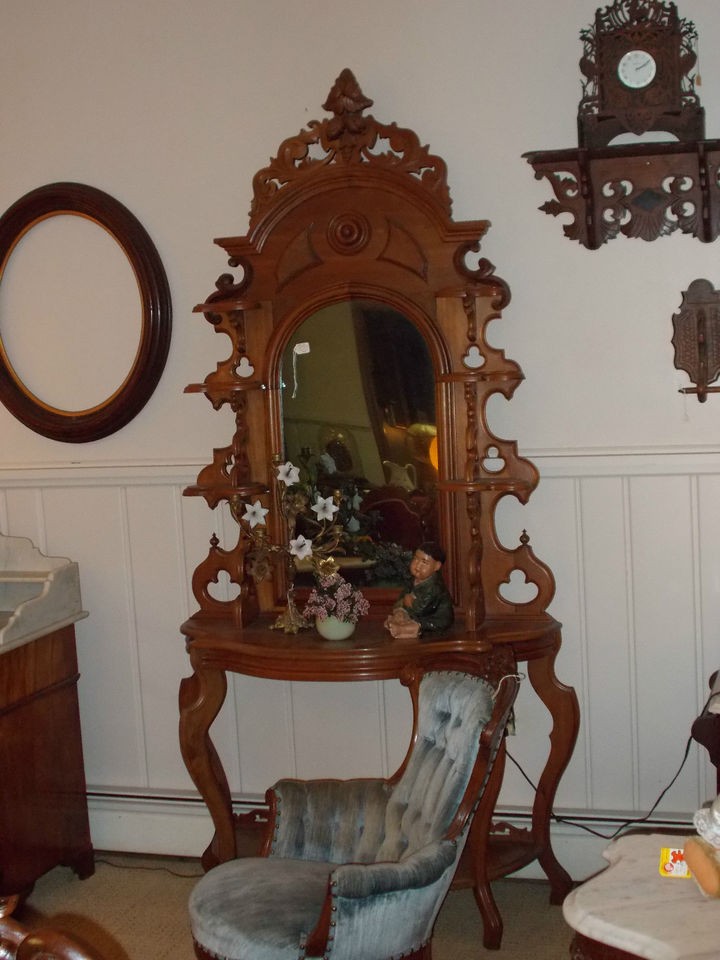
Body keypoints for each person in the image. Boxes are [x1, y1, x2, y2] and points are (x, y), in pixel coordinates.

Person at [384, 541, 454, 639]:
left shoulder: (434, 587)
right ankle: (398, 623)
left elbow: (421, 609)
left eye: (424, 562)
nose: (417, 565)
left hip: (434, 619)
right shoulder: (413, 580)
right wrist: (400, 610)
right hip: (416, 614)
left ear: (436, 566)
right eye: (416, 559)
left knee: (417, 625)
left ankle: (402, 630)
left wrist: (409, 603)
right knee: (400, 615)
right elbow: (403, 595)